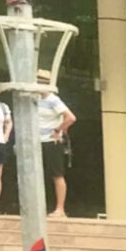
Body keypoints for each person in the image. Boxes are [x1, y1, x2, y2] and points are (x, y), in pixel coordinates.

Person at [35, 75, 73, 217]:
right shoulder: (36, 99)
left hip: (51, 141)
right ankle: (38, 206)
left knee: (57, 174)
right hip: (38, 140)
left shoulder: (53, 100)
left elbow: (70, 117)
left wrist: (58, 130)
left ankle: (60, 208)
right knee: (38, 174)